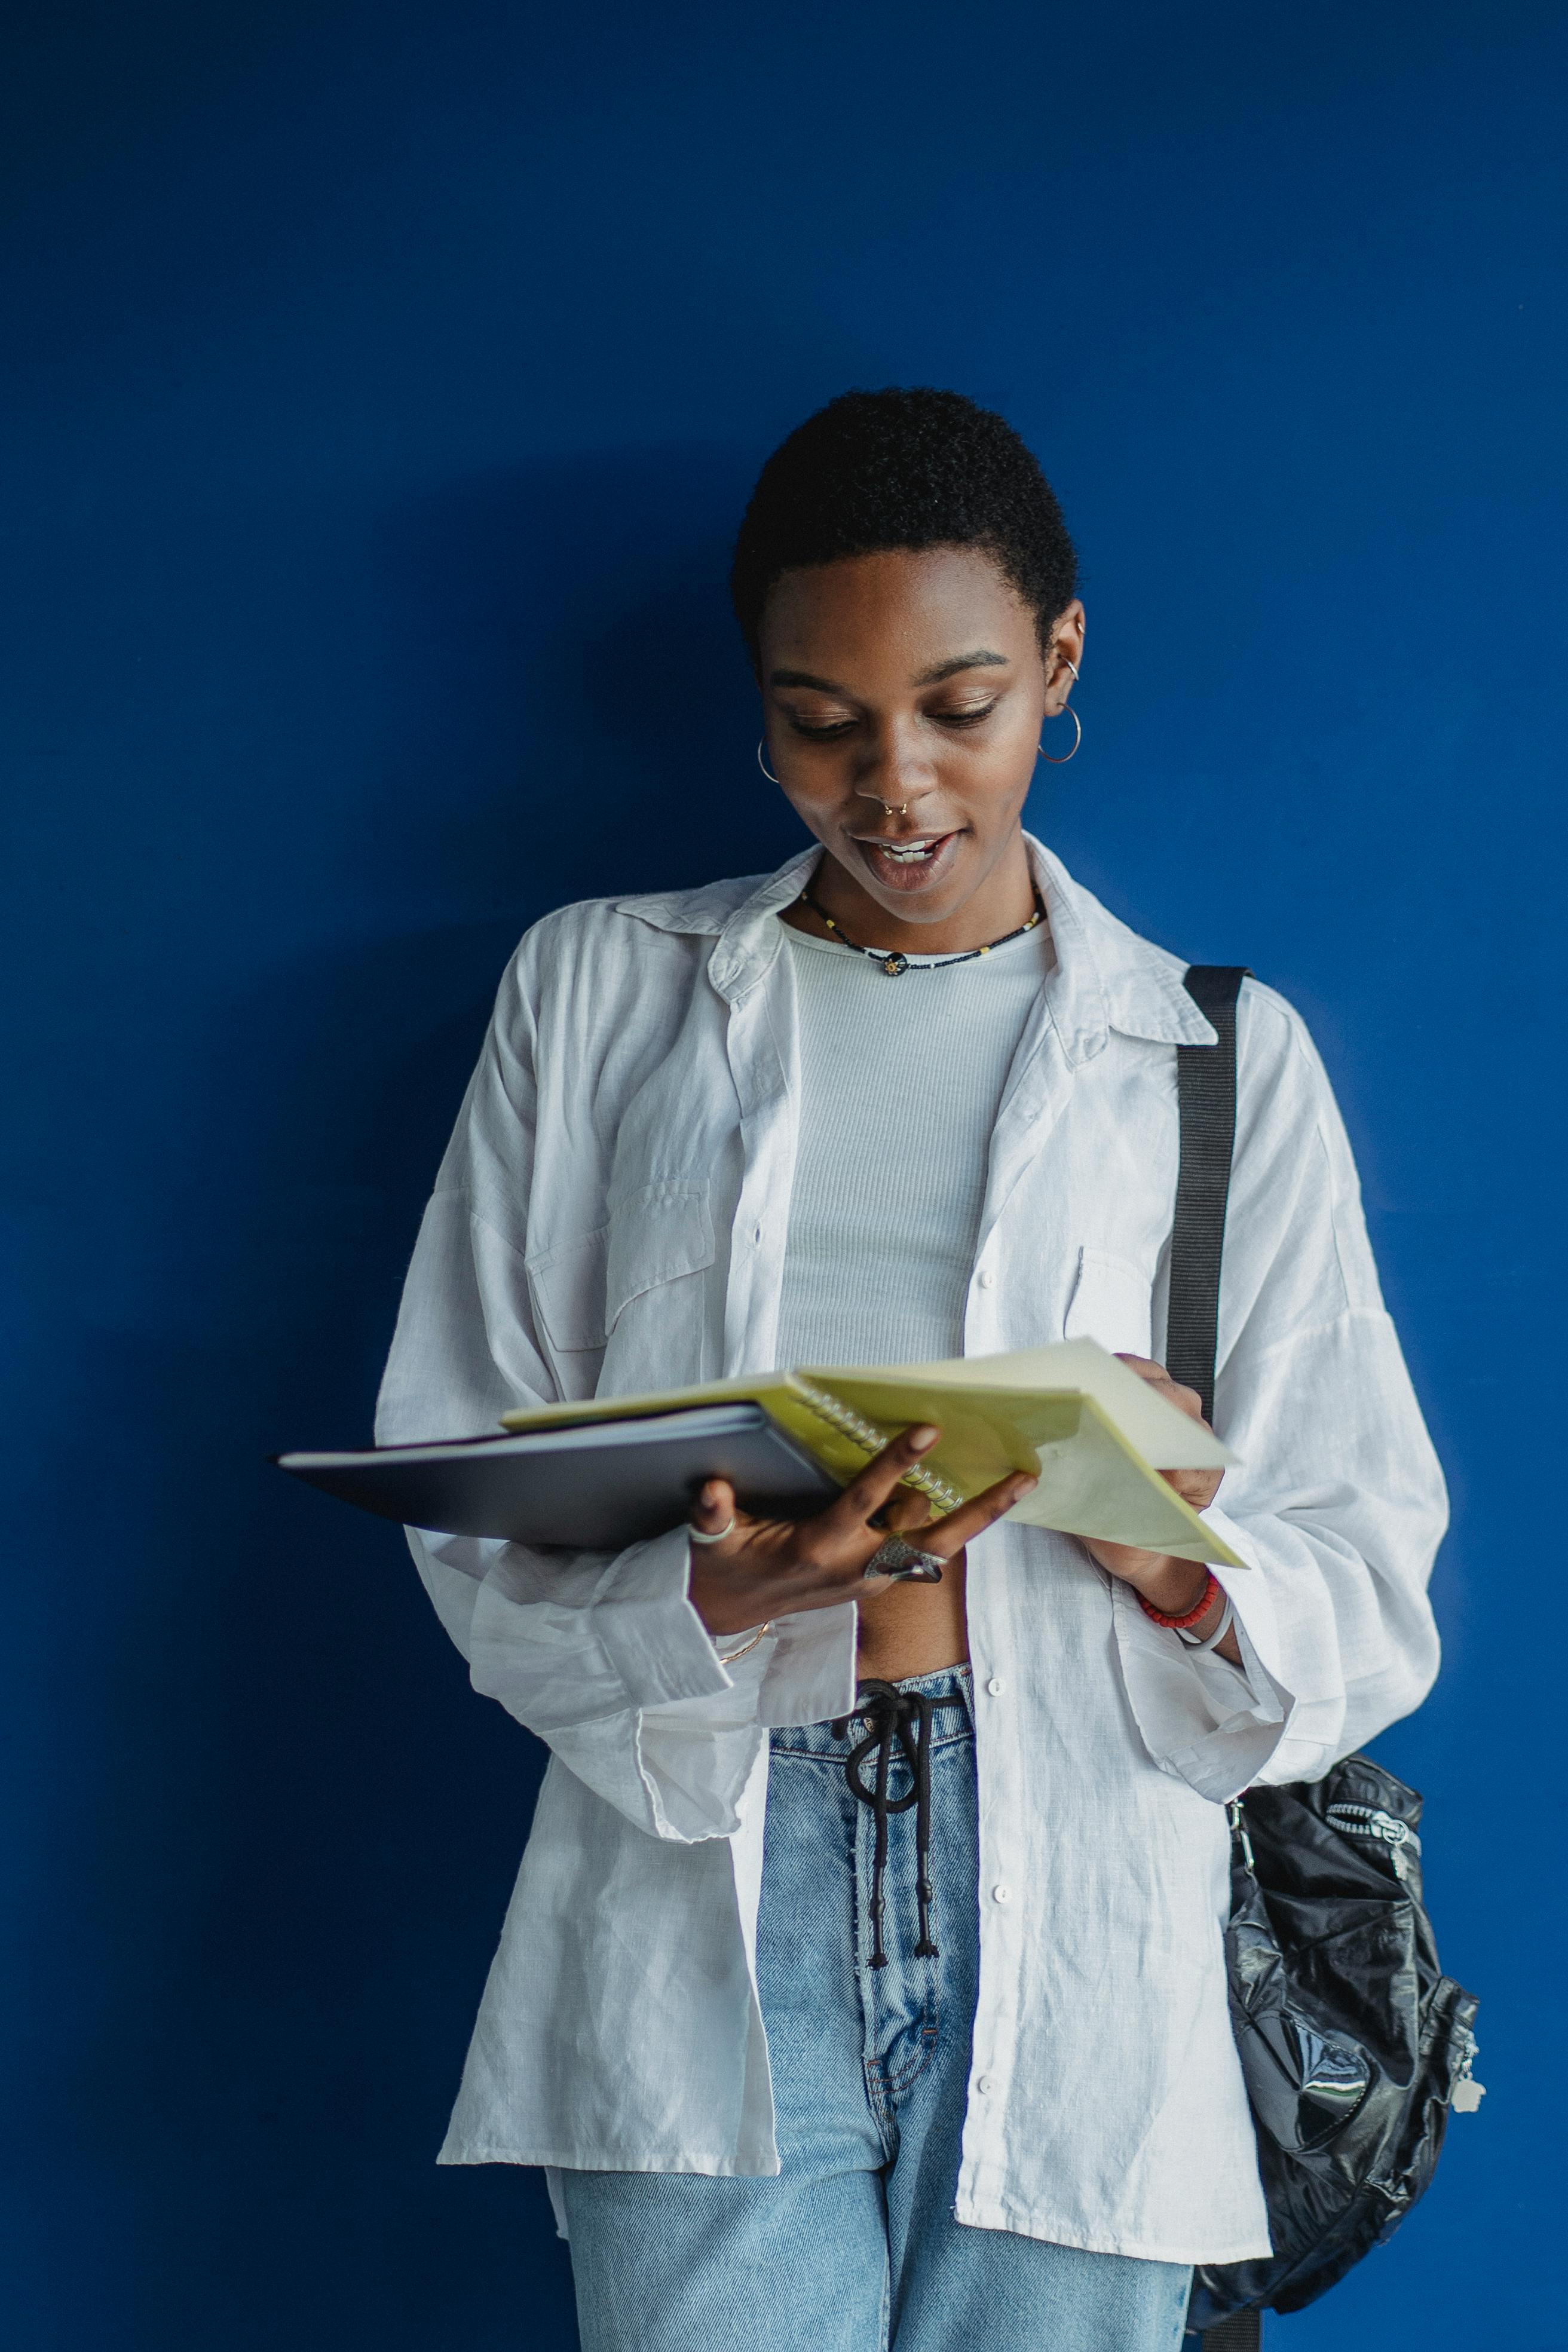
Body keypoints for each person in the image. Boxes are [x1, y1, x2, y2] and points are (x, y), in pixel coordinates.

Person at [375, 388, 1445, 2352]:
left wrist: (1161, 1539)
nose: (897, 789)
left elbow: (1369, 1580)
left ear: (1060, 661)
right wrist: (728, 1590)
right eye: (824, 721)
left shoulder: (1219, 1063)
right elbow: (461, 1482)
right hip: (708, 1859)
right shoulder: (599, 994)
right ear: (759, 707)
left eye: (961, 707)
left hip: (1085, 1876)